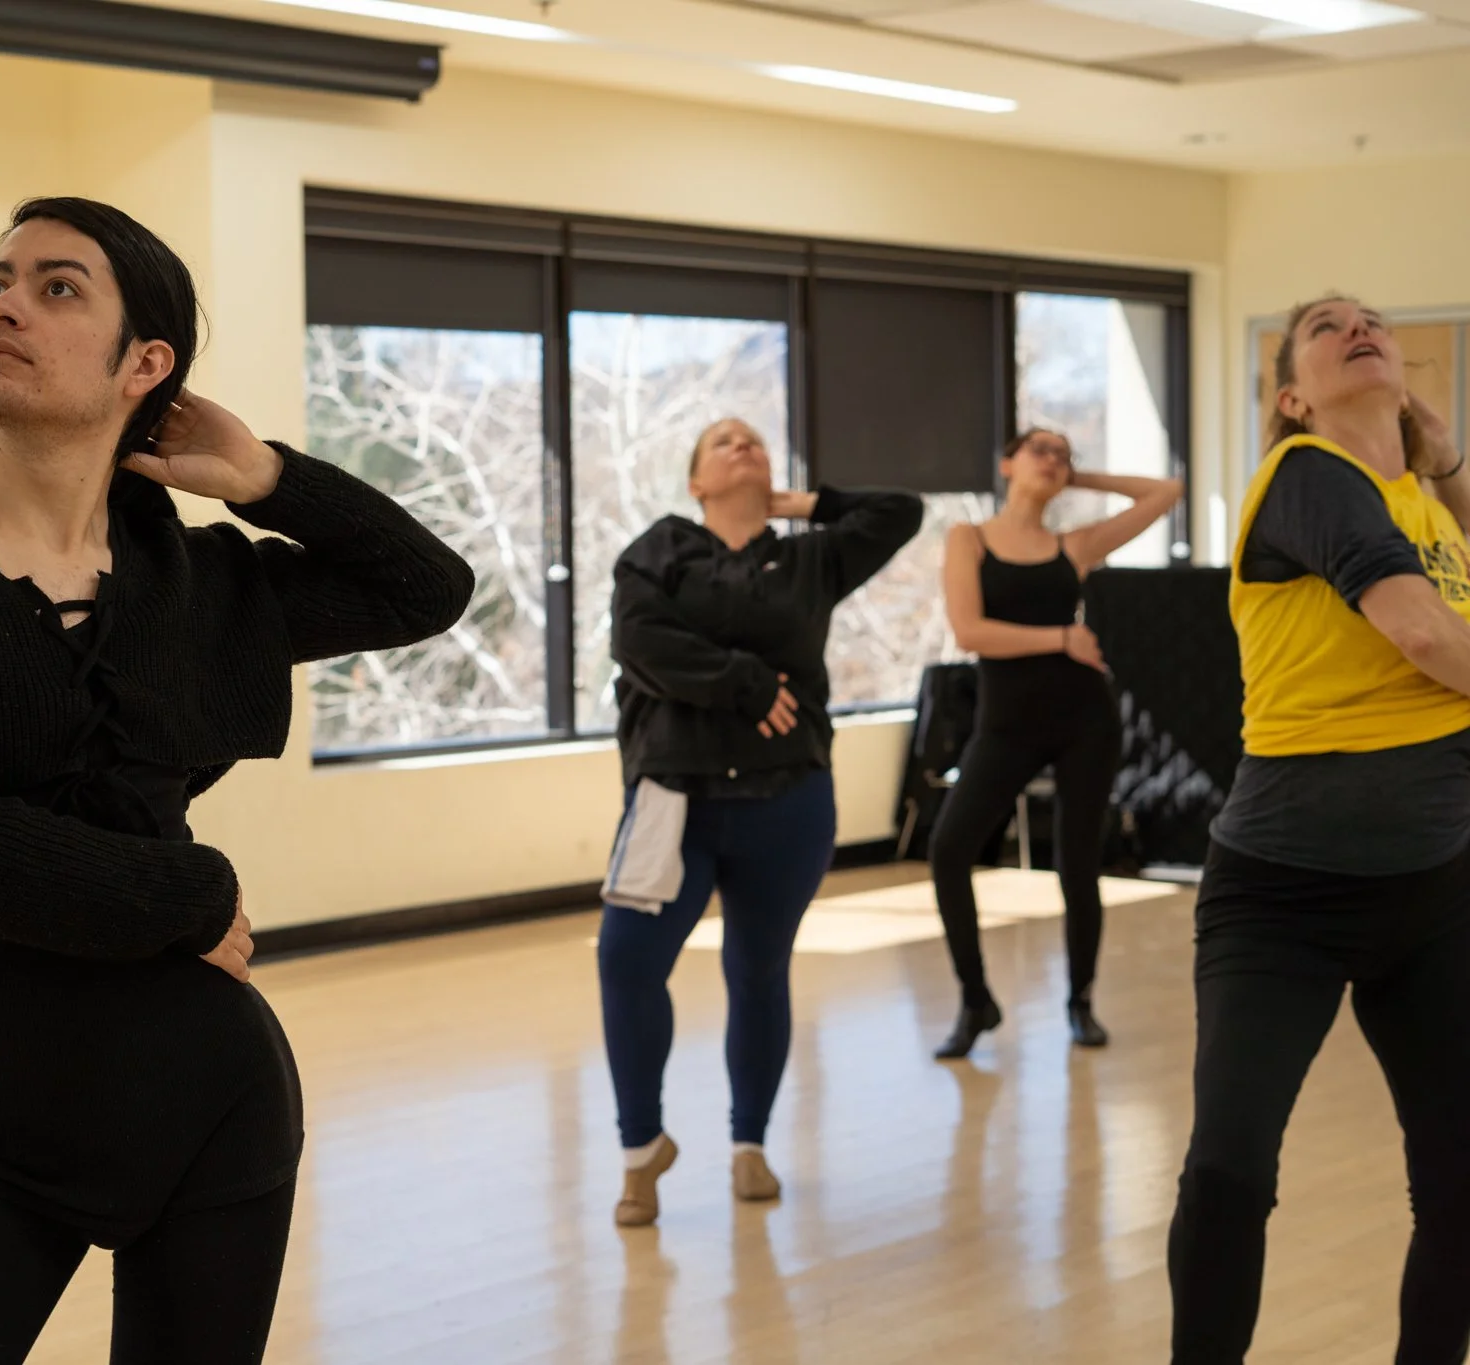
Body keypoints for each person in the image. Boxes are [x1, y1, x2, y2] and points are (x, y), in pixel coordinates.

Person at [0, 197, 472, 1364]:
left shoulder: (195, 586)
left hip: (211, 1106)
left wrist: (261, 475)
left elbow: (425, 588)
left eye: (58, 288)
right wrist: (190, 896)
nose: (3, 304)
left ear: (141, 364)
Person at [1167, 297, 1470, 1365]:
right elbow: (1419, 628)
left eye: (1372, 319)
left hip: (1432, 893)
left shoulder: (1416, 506)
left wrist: (1440, 462)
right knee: (1228, 1171)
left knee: (1457, 1186)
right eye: (1325, 326)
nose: (1358, 325)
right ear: (1291, 397)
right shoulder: (1305, 481)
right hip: (1280, 902)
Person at [597, 417, 922, 1226]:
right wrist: (744, 681)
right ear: (696, 483)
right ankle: (642, 1149)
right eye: (721, 442)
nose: (742, 443)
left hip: (789, 801)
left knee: (758, 970)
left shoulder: (808, 555)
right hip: (676, 795)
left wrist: (798, 502)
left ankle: (751, 1144)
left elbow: (901, 510)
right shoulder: (659, 548)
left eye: (754, 440)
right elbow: (640, 641)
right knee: (627, 962)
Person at [927, 430, 1182, 1059]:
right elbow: (970, 631)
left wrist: (1082, 478)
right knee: (949, 850)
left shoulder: (1074, 546)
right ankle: (975, 1001)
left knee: (1077, 865)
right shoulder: (970, 539)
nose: (1053, 459)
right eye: (1039, 449)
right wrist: (1060, 639)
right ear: (1005, 462)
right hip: (1007, 726)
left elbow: (1166, 491)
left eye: (1062, 454)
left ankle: (1081, 1002)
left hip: (1083, 721)